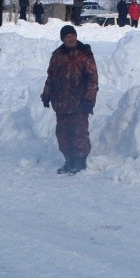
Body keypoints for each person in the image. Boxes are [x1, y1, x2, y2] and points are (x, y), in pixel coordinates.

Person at [40, 24, 98, 174]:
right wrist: (46, 95)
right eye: (67, 37)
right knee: (63, 134)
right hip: (61, 103)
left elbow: (93, 80)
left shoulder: (84, 54)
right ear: (63, 39)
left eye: (73, 36)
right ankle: (69, 161)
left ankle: (80, 162)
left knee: (79, 133)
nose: (71, 39)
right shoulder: (57, 56)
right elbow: (51, 78)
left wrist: (89, 101)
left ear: (76, 36)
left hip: (79, 103)